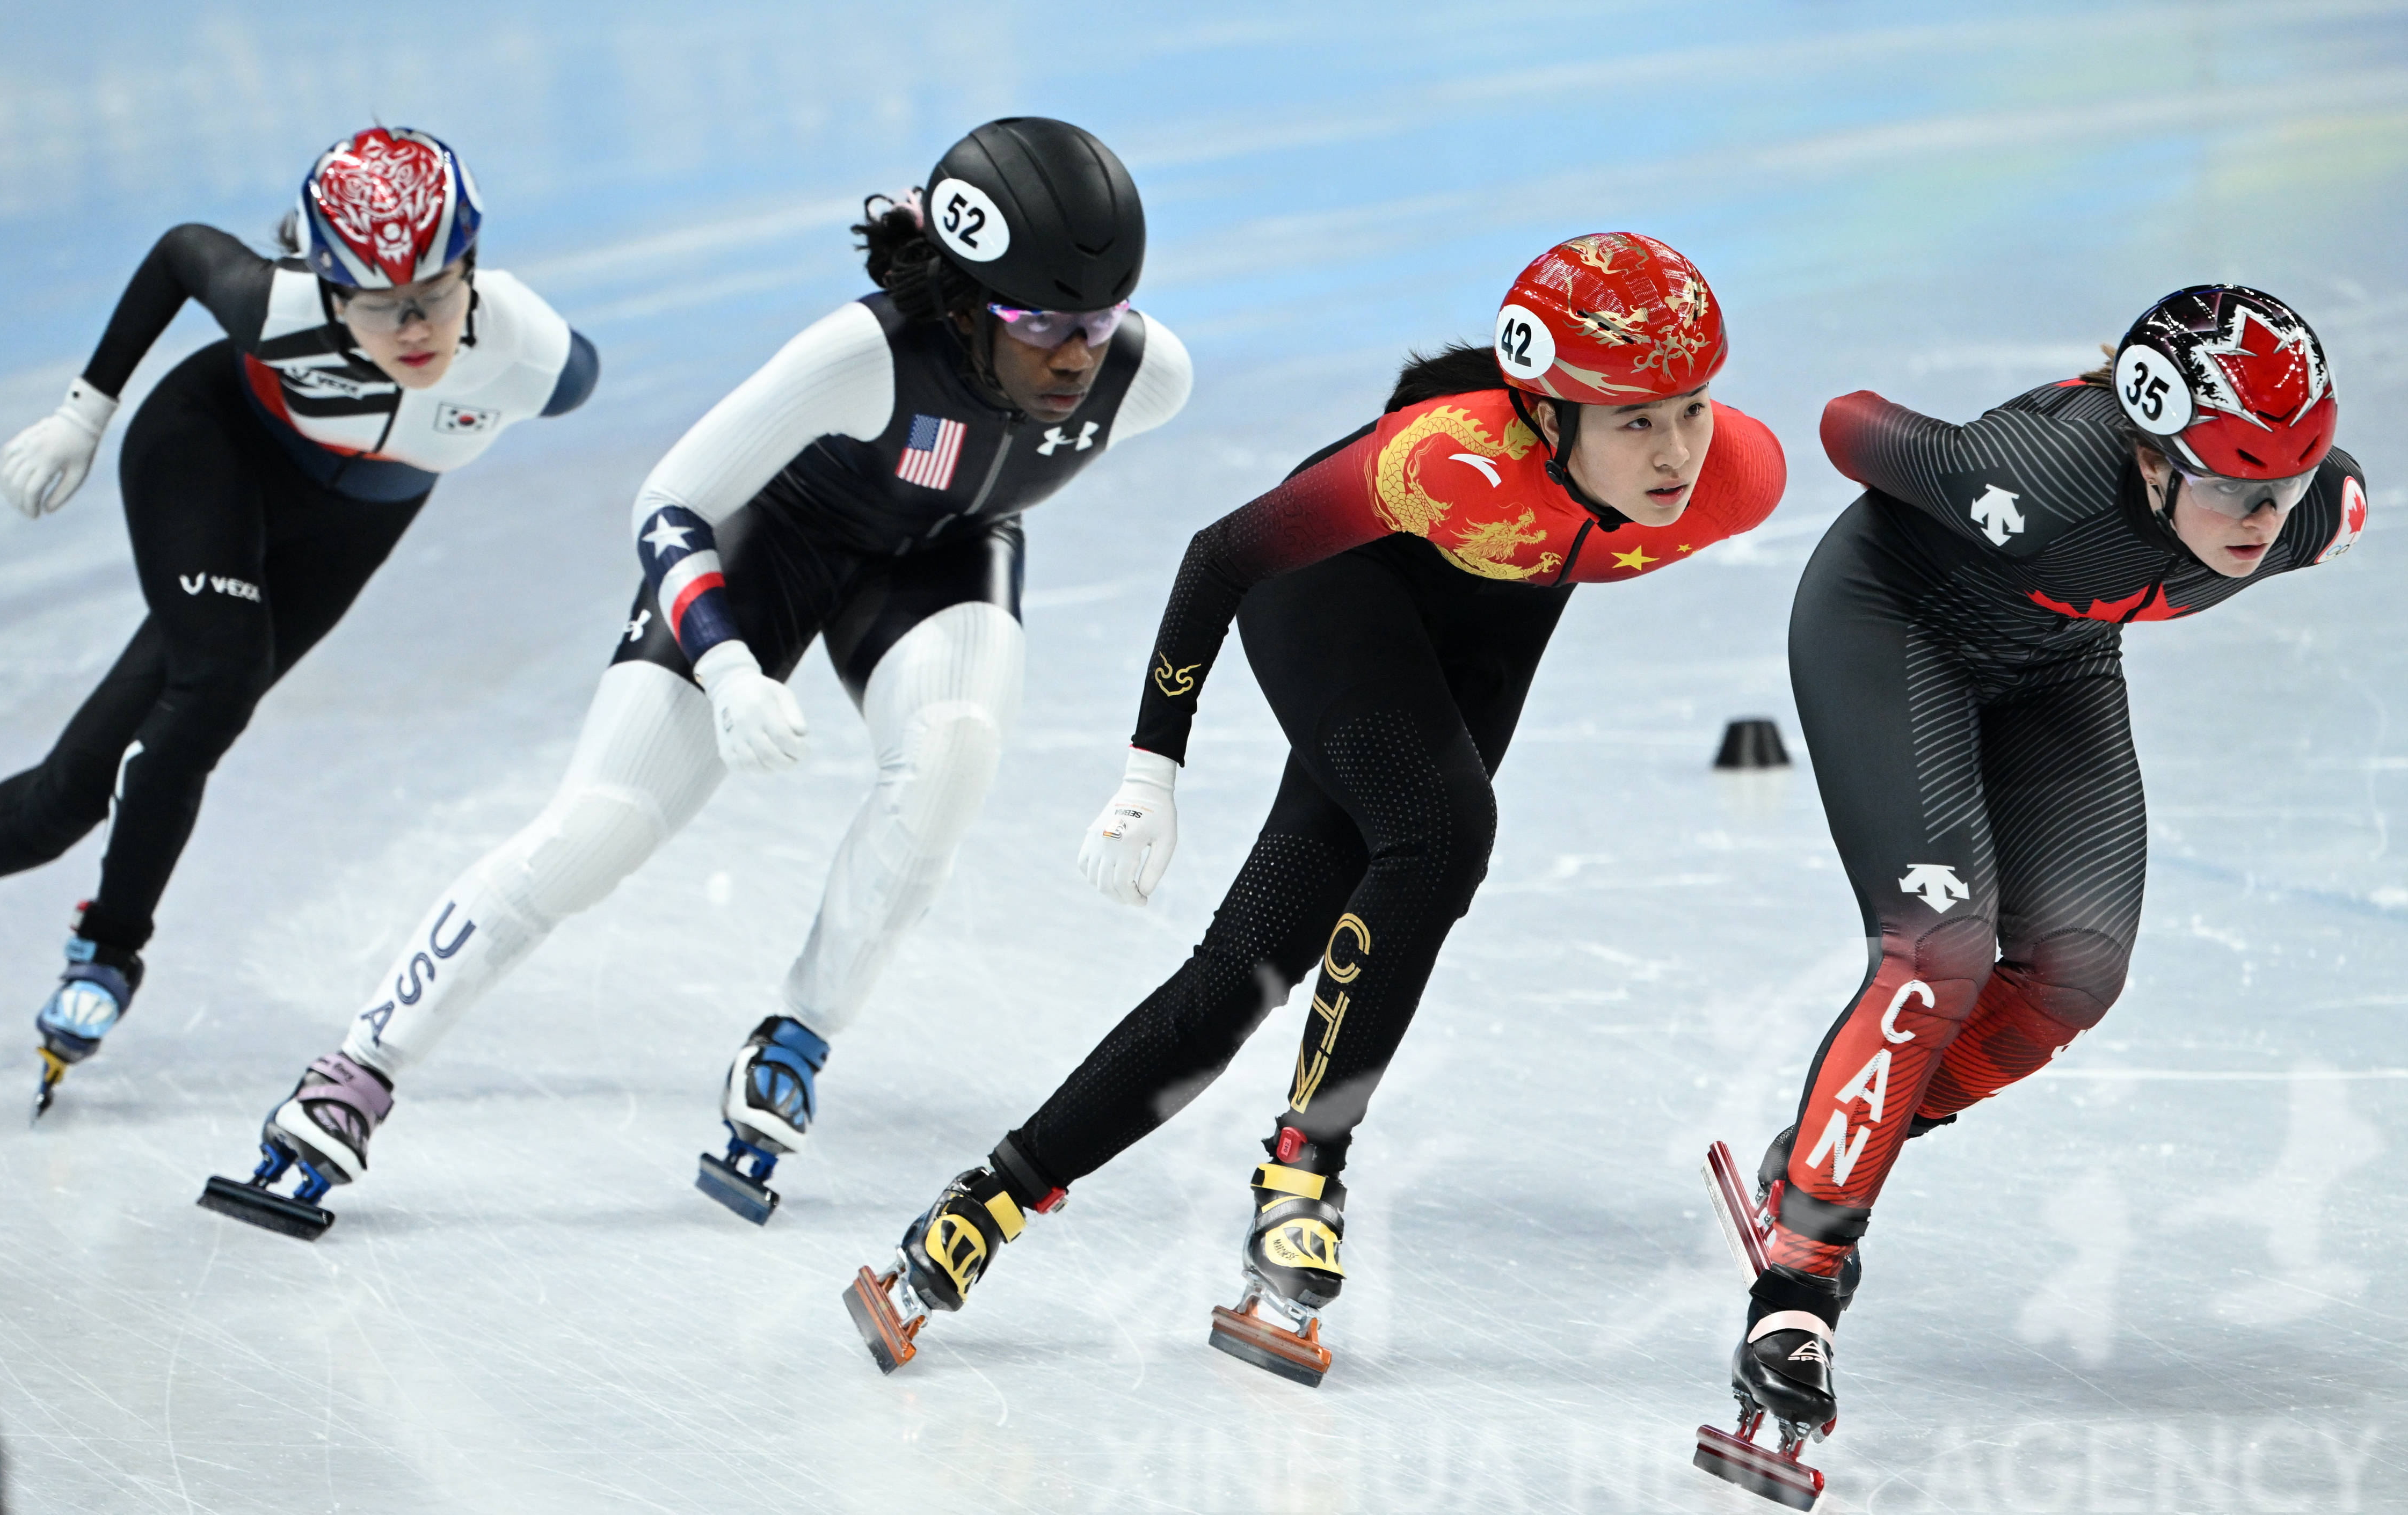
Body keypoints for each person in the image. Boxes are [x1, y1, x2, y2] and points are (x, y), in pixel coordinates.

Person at [199, 117, 1192, 1241]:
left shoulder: (1147, 379)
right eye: (1040, 322)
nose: (1076, 356)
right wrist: (724, 666)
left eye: (1100, 320)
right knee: (604, 825)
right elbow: (667, 502)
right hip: (767, 546)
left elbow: (995, 454)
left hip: (943, 553)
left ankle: (795, 1043)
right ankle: (355, 1072)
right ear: (962, 303)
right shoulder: (860, 354)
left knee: (955, 751)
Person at [841, 232, 1788, 1384]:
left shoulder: (1738, 478)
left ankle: (984, 1202)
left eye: (1689, 409)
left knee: (1252, 966)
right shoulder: (1438, 462)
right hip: (1331, 596)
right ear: (1546, 416)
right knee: (1446, 829)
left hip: (1483, 636)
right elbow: (1222, 554)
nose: (1677, 451)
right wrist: (1153, 769)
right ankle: (1305, 1166)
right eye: (1634, 420)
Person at [0, 127, 600, 1119]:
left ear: (474, 268)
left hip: (352, 526)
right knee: (219, 681)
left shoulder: (540, 360)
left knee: (68, 798)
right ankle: (109, 950)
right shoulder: (278, 309)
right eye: (377, 303)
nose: (412, 326)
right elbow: (183, 250)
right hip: (213, 452)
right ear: (325, 286)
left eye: (437, 294)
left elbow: (579, 377)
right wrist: (83, 412)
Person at [1710, 285, 2360, 1473]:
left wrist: (2278, 493)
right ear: (2152, 460)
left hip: (2055, 662)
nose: (2260, 520)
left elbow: (2299, 496)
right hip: (1891, 621)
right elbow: (1850, 423)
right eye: (2227, 486)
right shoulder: (2038, 478)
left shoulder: (2317, 508)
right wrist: (1981, 473)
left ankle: (1824, 1151)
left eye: (2282, 487)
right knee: (1938, 950)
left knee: (2073, 975)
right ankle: (1798, 1285)